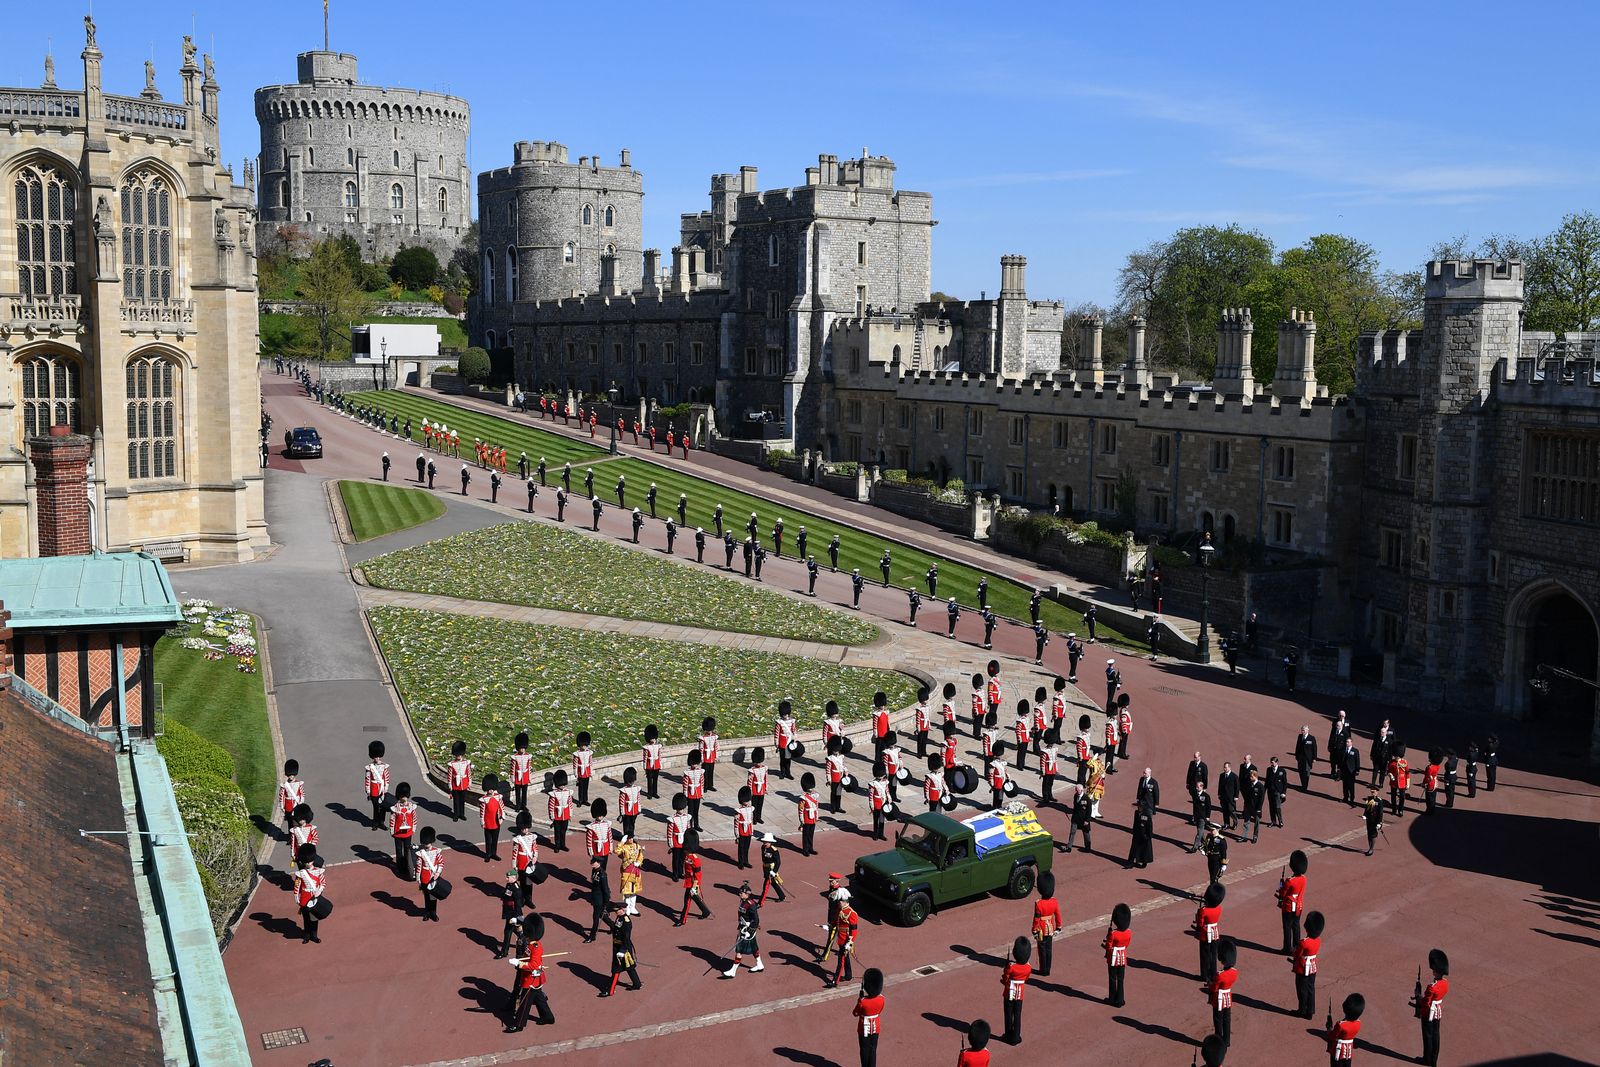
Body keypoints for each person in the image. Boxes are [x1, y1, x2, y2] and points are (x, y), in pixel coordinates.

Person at [1413, 948, 1449, 1066]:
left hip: (1429, 1013)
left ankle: (1426, 1060)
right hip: (1438, 1012)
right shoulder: (1445, 983)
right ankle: (1433, 1060)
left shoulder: (1431, 986)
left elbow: (1426, 1002)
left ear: (1436, 971)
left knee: (1427, 1036)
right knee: (1436, 1035)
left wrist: (1418, 996)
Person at [723, 883, 765, 978]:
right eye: (740, 892)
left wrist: (750, 931)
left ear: (747, 894)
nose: (740, 893)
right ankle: (759, 964)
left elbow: (756, 920)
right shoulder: (743, 901)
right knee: (754, 947)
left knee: (739, 950)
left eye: (741, 892)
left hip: (747, 930)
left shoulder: (751, 904)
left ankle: (733, 971)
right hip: (742, 928)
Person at [602, 900, 642, 997]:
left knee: (616, 969)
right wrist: (605, 917)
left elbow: (626, 937)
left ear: (623, 909)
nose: (615, 912)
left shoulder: (626, 922)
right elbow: (615, 927)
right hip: (617, 947)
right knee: (629, 967)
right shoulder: (619, 918)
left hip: (623, 949)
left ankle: (610, 991)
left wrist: (622, 950)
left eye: (617, 910)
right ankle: (637, 984)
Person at [1207, 937, 1239, 1049]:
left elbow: (1214, 988)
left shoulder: (1220, 974)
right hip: (1228, 997)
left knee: (1218, 1020)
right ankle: (1227, 1041)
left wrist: (1210, 987)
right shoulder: (1235, 972)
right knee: (1227, 1020)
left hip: (1219, 999)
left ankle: (1219, 1041)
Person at [1293, 909, 1324, 1019]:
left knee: (1301, 989)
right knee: (1311, 989)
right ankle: (1310, 1011)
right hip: (1313, 968)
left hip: (1302, 968)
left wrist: (1295, 959)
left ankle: (1301, 1010)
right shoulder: (1318, 940)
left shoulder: (1304, 942)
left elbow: (1297, 955)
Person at [676, 833, 713, 926]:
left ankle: (682, 920)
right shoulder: (687, 855)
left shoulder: (695, 859)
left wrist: (694, 886)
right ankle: (705, 911)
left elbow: (697, 875)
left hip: (693, 883)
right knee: (695, 898)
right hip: (689, 881)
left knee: (687, 901)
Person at [1000, 936, 1031, 1045]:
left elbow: (1006, 977)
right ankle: (1016, 1036)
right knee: (1017, 1015)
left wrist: (1003, 980)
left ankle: (1008, 1035)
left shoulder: (1011, 966)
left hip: (1009, 992)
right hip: (1020, 993)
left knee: (1008, 1014)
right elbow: (1026, 978)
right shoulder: (1028, 967)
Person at [293, 844, 326, 944]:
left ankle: (314, 935)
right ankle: (307, 936)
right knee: (306, 919)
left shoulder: (318, 871)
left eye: (310, 861)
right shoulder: (301, 873)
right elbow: (297, 886)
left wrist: (319, 891)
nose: (308, 863)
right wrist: (296, 897)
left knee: (314, 918)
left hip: (315, 897)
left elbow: (323, 883)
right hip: (304, 898)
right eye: (306, 861)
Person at [853, 968, 886, 1067]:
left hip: (863, 1028)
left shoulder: (863, 1001)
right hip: (876, 1026)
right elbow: (879, 1010)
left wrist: (860, 999)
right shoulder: (882, 999)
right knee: (873, 1049)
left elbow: (855, 1013)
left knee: (864, 1050)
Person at [1195, 881, 1225, 984]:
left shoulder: (1203, 910)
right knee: (1213, 954)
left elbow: (1200, 924)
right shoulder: (1219, 908)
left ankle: (1204, 975)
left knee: (1205, 955)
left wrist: (1198, 916)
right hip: (1215, 933)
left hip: (1205, 933)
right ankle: (1212, 974)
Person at [826, 894, 859, 987]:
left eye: (842, 901)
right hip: (840, 938)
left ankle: (835, 981)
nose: (839, 902)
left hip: (846, 941)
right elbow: (836, 921)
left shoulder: (851, 913)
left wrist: (850, 942)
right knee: (846, 958)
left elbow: (854, 930)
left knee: (841, 961)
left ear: (846, 902)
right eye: (839, 901)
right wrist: (829, 926)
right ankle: (848, 975)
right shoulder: (840, 910)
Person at [1032, 872, 1061, 976]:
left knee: (1042, 950)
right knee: (1049, 949)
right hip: (1051, 928)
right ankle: (1048, 969)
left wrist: (1034, 930)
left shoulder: (1039, 903)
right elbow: (1057, 915)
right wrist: (1058, 927)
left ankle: (1043, 970)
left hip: (1041, 929)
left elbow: (1036, 919)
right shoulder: (1054, 902)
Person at [1104, 901, 1132, 1006]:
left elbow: (1109, 946)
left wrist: (1105, 946)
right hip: (1123, 957)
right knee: (1121, 979)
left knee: (1112, 978)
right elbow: (1127, 944)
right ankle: (1120, 999)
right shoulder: (1129, 932)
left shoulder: (1113, 933)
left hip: (1113, 958)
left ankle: (1112, 999)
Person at [388, 781, 418, 880]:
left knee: (407, 850)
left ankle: (406, 866)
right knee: (398, 851)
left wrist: (413, 829)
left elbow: (414, 818)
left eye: (405, 796)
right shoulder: (395, 807)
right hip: (398, 832)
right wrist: (392, 830)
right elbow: (392, 819)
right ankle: (400, 867)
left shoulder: (411, 806)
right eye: (402, 796)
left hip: (408, 832)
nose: (403, 798)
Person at [1326, 992, 1364, 1065]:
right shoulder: (1358, 1023)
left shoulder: (1340, 1025)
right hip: (1348, 1052)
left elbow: (1332, 1036)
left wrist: (1329, 1027)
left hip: (1337, 1052)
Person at [496, 868, 526, 959]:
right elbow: (507, 894)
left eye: (508, 877)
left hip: (514, 913)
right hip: (509, 912)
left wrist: (515, 917)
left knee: (508, 931)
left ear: (514, 878)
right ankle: (526, 943)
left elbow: (518, 904)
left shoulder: (516, 889)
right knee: (517, 931)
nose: (506, 878)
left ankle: (504, 952)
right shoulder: (509, 885)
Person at [416, 825, 445, 922]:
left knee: (433, 897)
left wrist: (437, 873)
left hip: (433, 877)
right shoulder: (421, 853)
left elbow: (441, 863)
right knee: (427, 897)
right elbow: (419, 867)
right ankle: (427, 912)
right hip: (424, 877)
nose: (426, 844)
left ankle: (433, 913)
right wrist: (418, 880)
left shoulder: (436, 851)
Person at [511, 811, 539, 905]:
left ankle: (529, 899)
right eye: (523, 828)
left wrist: (535, 857)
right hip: (522, 863)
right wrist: (514, 865)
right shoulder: (517, 839)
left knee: (529, 883)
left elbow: (535, 848)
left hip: (530, 862)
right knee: (522, 883)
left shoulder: (532, 837)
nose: (525, 830)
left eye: (526, 828)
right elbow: (514, 853)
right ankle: (522, 899)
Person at [364, 740, 390, 829]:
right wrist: (368, 791)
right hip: (374, 788)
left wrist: (386, 787)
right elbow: (367, 779)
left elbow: (386, 777)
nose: (377, 758)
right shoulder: (369, 767)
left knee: (383, 807)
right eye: (375, 756)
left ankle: (381, 822)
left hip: (382, 788)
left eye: (378, 756)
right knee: (376, 807)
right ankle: (375, 823)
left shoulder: (384, 766)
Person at [480, 774, 506, 862]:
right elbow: (482, 812)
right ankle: (488, 854)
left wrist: (502, 818)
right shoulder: (484, 799)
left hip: (496, 822)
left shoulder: (498, 797)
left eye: (492, 788)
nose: (490, 790)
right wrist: (482, 822)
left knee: (495, 840)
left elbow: (502, 808)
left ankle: (494, 853)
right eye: (489, 788)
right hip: (488, 823)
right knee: (488, 841)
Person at [445, 740, 472, 821]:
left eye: (459, 754)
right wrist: (449, 784)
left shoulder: (466, 763)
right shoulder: (452, 764)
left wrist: (469, 782)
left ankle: (462, 814)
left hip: (464, 784)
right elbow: (450, 775)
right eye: (457, 755)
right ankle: (456, 814)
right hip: (455, 785)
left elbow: (469, 773)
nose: (458, 756)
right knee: (456, 801)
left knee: (462, 801)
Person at [547, 769, 573, 852]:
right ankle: (557, 845)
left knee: (563, 831)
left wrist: (570, 815)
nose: (562, 786)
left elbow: (570, 804)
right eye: (561, 784)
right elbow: (551, 805)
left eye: (563, 784)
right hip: (557, 815)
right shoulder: (554, 793)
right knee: (557, 832)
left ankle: (563, 845)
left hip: (565, 815)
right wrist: (552, 816)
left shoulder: (568, 792)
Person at [667, 794, 691, 881]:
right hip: (676, 842)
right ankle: (675, 874)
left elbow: (688, 830)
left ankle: (680, 872)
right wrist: (671, 844)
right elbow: (670, 833)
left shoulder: (686, 817)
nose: (681, 810)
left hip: (684, 841)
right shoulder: (672, 819)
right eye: (679, 808)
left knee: (682, 858)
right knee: (676, 859)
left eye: (681, 808)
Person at [758, 832, 787, 904]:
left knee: (766, 886)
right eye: (764, 842)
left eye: (766, 842)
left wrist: (774, 871)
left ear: (770, 842)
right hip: (765, 867)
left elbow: (778, 862)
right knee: (773, 883)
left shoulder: (774, 850)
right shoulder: (763, 847)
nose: (764, 843)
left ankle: (760, 903)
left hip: (771, 869)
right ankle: (782, 896)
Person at [278, 759, 306, 830]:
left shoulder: (299, 784)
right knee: (290, 824)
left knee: (297, 822)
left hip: (296, 804)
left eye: (292, 775)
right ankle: (291, 837)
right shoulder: (284, 785)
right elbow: (282, 796)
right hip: (288, 806)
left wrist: (301, 802)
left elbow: (302, 794)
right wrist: (282, 806)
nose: (291, 776)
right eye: (290, 775)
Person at [1064, 784, 1093, 853]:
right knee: (1072, 832)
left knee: (1086, 833)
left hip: (1084, 819)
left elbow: (1089, 810)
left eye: (1077, 790)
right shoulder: (1075, 796)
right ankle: (1069, 847)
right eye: (1076, 790)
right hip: (1076, 818)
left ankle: (1087, 848)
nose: (1076, 791)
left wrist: (1087, 820)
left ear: (1082, 790)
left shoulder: (1087, 798)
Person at [1241, 766, 1265, 843]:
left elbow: (1261, 799)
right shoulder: (1249, 785)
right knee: (1246, 822)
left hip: (1256, 808)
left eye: (1251, 777)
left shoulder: (1260, 786)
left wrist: (1259, 809)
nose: (1250, 778)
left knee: (1256, 823)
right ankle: (1244, 837)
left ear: (1255, 776)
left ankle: (1255, 836)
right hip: (1248, 807)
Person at [683, 749, 706, 831]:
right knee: (690, 811)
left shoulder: (700, 771)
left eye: (696, 763)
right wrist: (685, 795)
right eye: (693, 763)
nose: (695, 764)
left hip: (697, 793)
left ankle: (696, 825)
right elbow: (685, 784)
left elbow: (702, 782)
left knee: (696, 811)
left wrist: (701, 793)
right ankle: (690, 826)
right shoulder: (687, 772)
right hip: (690, 793)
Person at [735, 786, 757, 867]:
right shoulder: (738, 811)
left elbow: (750, 821)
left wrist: (751, 831)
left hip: (748, 831)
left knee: (747, 847)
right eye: (745, 800)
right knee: (741, 847)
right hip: (741, 831)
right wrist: (737, 835)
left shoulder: (751, 809)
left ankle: (746, 861)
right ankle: (740, 862)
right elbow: (736, 824)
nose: (747, 802)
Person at [1127, 802, 1154, 868]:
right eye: (1138, 806)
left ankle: (1144, 862)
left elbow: (1149, 826)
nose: (1139, 808)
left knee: (1144, 850)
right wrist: (1133, 831)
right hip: (1137, 834)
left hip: (1144, 835)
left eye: (1140, 807)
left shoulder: (1147, 815)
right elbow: (1135, 823)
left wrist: (1149, 836)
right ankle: (1130, 863)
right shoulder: (1136, 813)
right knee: (1133, 849)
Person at [869, 762, 892, 840]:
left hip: (883, 802)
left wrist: (889, 798)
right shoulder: (873, 784)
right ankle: (875, 834)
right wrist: (872, 806)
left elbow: (887, 791)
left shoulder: (885, 782)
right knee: (876, 820)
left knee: (882, 820)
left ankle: (881, 834)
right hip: (876, 804)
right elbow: (871, 796)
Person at [799, 773, 820, 856]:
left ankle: (810, 848)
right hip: (806, 817)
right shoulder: (803, 798)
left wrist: (817, 817)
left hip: (813, 817)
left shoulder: (815, 796)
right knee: (806, 835)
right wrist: (802, 820)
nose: (811, 789)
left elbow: (816, 807)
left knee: (811, 834)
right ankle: (805, 850)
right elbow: (800, 810)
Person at [1388, 742, 1411, 817]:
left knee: (1402, 797)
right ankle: (1394, 810)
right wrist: (1390, 775)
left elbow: (1407, 773)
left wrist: (1408, 783)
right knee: (1393, 796)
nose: (1396, 757)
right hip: (1394, 781)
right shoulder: (1391, 762)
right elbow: (1389, 771)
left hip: (1402, 781)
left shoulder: (1404, 762)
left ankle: (1400, 810)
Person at [642, 724, 664, 799]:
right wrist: (645, 767)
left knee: (655, 779)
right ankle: (650, 793)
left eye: (654, 738)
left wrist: (660, 764)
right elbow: (645, 757)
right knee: (649, 780)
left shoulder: (658, 746)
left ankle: (655, 792)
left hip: (656, 764)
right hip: (649, 765)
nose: (653, 739)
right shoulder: (646, 747)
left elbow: (659, 756)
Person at [699, 717, 720, 793]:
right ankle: (704, 786)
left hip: (712, 756)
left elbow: (716, 747)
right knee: (705, 772)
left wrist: (716, 755)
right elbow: (701, 748)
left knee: (711, 771)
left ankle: (710, 785)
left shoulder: (714, 737)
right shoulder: (703, 738)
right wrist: (701, 757)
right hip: (705, 757)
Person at [1266, 756, 1289, 828]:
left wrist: (1284, 793)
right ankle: (1273, 821)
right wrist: (1264, 790)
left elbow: (1285, 783)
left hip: (1278, 792)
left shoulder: (1282, 771)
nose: (1271, 764)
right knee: (1271, 807)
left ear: (1276, 762)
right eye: (1271, 762)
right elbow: (1267, 781)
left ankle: (1280, 821)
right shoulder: (1269, 770)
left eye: (1273, 762)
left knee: (1277, 806)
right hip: (1270, 791)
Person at [1328, 710, 1351, 779]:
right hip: (1334, 747)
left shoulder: (1347, 722)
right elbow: (1331, 735)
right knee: (1332, 761)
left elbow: (1349, 732)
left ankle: (1338, 775)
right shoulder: (1335, 722)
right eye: (1340, 715)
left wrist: (1349, 744)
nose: (1341, 717)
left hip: (1342, 747)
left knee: (1340, 762)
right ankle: (1333, 773)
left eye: (1342, 716)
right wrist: (1329, 745)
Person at [1294, 726, 1318, 792]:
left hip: (1308, 759)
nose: (1302, 731)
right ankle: (1303, 784)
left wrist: (1314, 758)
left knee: (1306, 772)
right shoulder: (1300, 736)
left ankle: (1305, 787)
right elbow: (1297, 746)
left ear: (1307, 730)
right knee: (1300, 771)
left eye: (1304, 730)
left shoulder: (1311, 738)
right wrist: (1296, 755)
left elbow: (1314, 748)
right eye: (1302, 730)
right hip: (1300, 758)